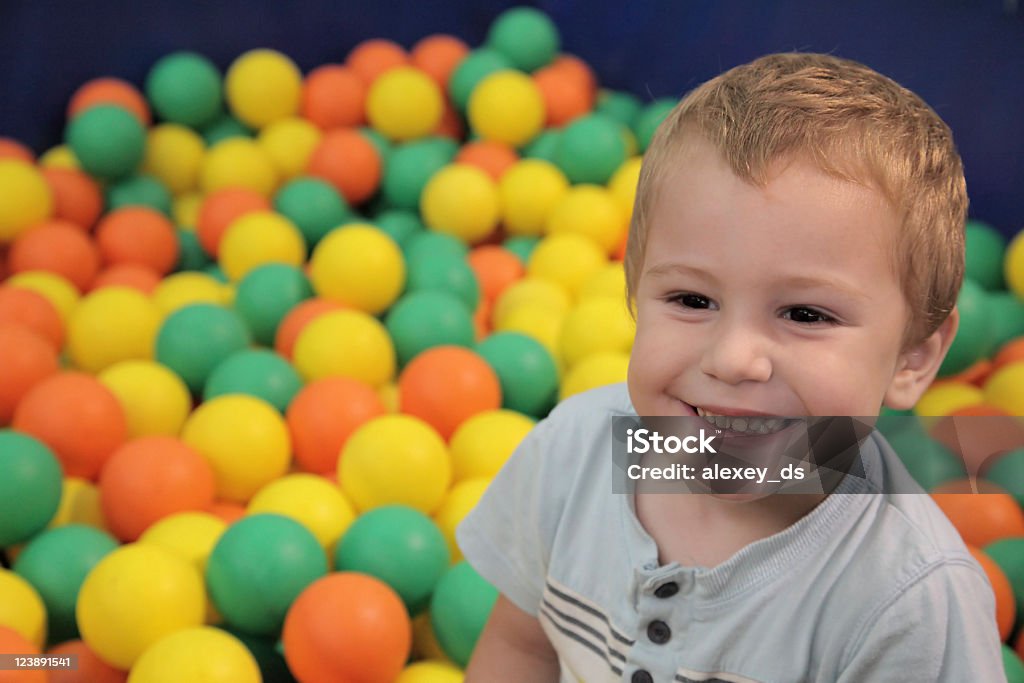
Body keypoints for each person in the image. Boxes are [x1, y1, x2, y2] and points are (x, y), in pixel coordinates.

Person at [456, 52, 1007, 682]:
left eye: (804, 314)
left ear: (913, 357)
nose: (732, 359)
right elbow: (521, 648)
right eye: (692, 301)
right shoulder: (572, 453)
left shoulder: (909, 603)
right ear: (636, 296)